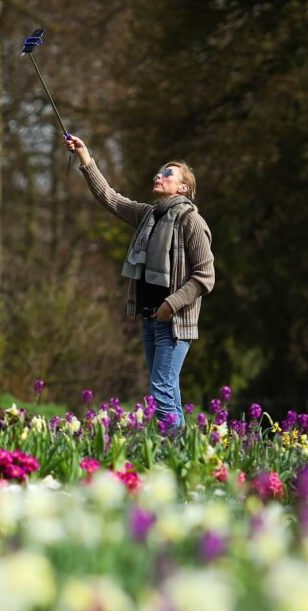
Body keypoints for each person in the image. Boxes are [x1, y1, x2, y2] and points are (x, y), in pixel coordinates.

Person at [64, 134, 215, 430]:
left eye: (167, 173)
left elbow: (205, 276)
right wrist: (85, 157)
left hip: (172, 322)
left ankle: (170, 456)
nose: (159, 175)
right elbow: (109, 197)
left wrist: (170, 306)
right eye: (159, 171)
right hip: (149, 318)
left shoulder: (191, 221)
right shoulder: (148, 215)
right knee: (167, 390)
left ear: (183, 187)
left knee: (160, 392)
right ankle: (183, 456)